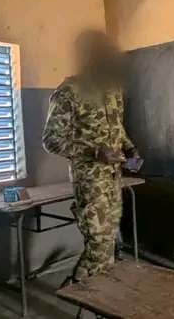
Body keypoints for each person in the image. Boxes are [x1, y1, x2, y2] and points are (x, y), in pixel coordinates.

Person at [42, 29, 139, 287]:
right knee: (97, 245)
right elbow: (51, 140)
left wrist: (130, 148)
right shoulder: (70, 90)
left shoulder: (113, 89)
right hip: (90, 182)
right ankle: (75, 290)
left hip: (113, 180)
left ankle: (97, 297)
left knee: (108, 246)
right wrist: (95, 152)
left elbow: (117, 129)